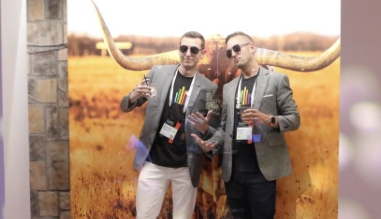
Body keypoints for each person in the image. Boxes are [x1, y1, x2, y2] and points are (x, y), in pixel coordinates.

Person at [191, 31, 300, 219]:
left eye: (237, 48)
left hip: (262, 172)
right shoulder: (229, 87)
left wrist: (267, 119)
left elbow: (294, 119)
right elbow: (225, 127)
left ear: (252, 48)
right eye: (229, 52)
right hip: (234, 173)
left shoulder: (276, 80)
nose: (233, 53)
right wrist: (209, 138)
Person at [120, 31, 218, 219]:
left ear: (202, 53)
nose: (188, 53)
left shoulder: (209, 89)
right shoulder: (157, 73)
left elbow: (213, 130)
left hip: (186, 168)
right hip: (153, 163)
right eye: (184, 48)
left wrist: (206, 128)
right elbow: (126, 104)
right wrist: (134, 95)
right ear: (178, 50)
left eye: (194, 49)